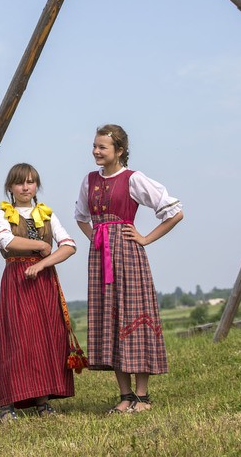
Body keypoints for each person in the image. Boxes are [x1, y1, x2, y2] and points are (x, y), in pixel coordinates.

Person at [74, 124, 183, 413]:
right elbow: (81, 217)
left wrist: (145, 238)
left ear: (119, 151)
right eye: (95, 146)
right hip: (100, 258)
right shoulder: (89, 181)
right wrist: (97, 239)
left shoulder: (133, 179)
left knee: (134, 316)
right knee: (109, 320)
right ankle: (125, 396)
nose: (96, 151)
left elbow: (175, 212)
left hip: (128, 255)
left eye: (102, 147)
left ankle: (143, 396)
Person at [0, 163, 78, 423]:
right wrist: (41, 244)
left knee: (44, 338)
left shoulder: (48, 215)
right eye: (20, 182)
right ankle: (8, 404)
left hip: (44, 280)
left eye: (31, 182)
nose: (26, 187)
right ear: (11, 187)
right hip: (16, 279)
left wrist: (41, 263)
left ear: (37, 185)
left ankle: (43, 401)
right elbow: (7, 241)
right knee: (16, 340)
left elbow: (69, 245)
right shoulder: (2, 214)